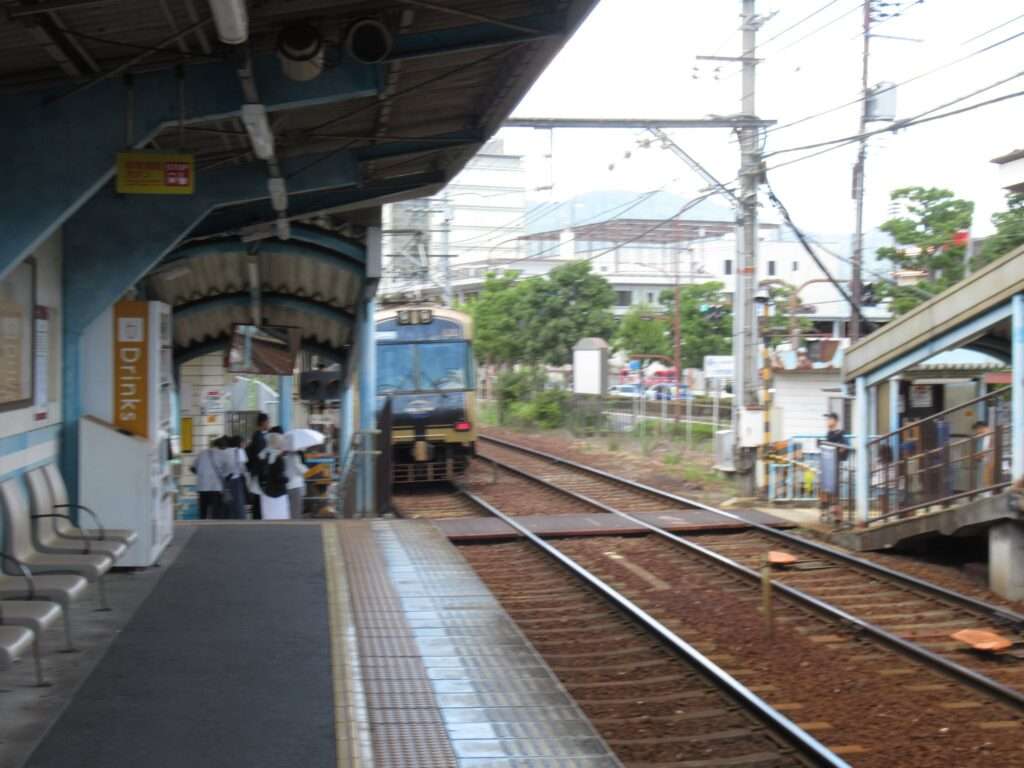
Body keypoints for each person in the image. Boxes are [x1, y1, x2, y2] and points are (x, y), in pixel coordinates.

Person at [257, 431, 289, 520]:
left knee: (268, 519)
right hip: (278, 494)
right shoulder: (278, 458)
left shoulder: (263, 455)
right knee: (280, 520)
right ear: (278, 444)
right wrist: (287, 479)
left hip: (266, 493)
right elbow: (279, 477)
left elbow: (260, 474)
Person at [246, 413, 270, 520]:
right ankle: (257, 518)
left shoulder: (257, 435)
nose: (269, 424)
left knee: (258, 498)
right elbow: (261, 456)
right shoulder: (259, 437)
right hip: (259, 473)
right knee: (259, 499)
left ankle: (257, 517)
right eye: (268, 422)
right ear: (263, 422)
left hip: (256, 472)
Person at [192, 440, 224, 520]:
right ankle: (215, 528)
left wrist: (201, 474)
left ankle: (202, 526)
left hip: (202, 486)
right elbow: (224, 471)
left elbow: (192, 468)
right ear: (222, 447)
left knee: (203, 511)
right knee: (216, 512)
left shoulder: (201, 453)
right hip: (215, 487)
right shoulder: (221, 454)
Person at [220, 435, 249, 520]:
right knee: (238, 503)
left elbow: (221, 467)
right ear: (239, 443)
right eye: (243, 442)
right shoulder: (240, 451)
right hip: (236, 480)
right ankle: (239, 519)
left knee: (228, 501)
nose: (244, 444)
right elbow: (243, 468)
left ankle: (228, 518)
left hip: (226, 481)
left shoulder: (224, 451)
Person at [283, 446, 308, 519]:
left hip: (287, 486)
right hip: (295, 486)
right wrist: (306, 468)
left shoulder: (284, 456)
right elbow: (302, 470)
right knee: (296, 509)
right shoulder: (295, 457)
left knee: (290, 508)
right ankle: (296, 525)